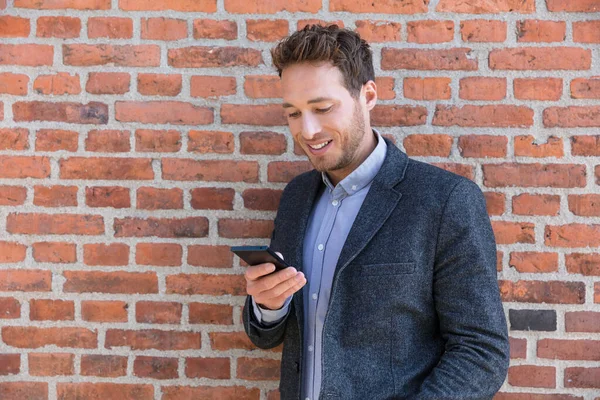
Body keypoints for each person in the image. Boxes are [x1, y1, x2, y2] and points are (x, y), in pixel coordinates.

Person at [242, 24, 509, 400]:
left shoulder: (445, 200)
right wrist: (269, 306)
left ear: (368, 95)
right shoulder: (296, 197)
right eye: (293, 113)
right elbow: (270, 335)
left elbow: (482, 351)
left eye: (321, 108)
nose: (308, 129)